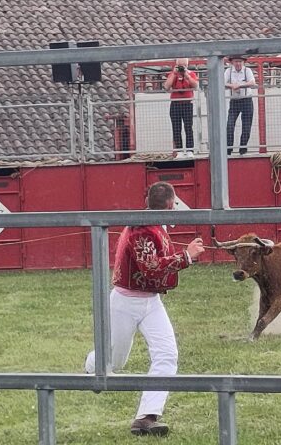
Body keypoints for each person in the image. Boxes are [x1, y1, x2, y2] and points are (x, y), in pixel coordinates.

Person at [85, 181, 205, 437]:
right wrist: (187, 256)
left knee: (167, 354)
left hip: (150, 301)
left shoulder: (152, 222)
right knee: (114, 361)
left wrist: (186, 255)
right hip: (126, 302)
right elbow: (149, 267)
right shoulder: (141, 228)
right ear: (171, 204)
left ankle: (146, 418)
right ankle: (90, 367)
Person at [163, 58, 198, 157]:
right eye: (180, 65)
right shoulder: (173, 74)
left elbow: (195, 86)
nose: (182, 68)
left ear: (187, 65)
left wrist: (186, 76)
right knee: (176, 128)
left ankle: (190, 149)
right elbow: (166, 87)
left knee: (188, 127)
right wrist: (174, 74)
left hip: (187, 103)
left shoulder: (191, 74)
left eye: (184, 65)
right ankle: (179, 151)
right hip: (175, 104)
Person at [224, 54, 257, 156]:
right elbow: (222, 82)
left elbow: (252, 82)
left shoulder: (247, 71)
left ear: (243, 62)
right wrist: (232, 86)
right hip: (234, 101)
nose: (238, 63)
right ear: (232, 62)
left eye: (240, 61)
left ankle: (243, 149)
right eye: (236, 61)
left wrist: (240, 85)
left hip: (247, 100)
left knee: (246, 126)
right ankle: (228, 149)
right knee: (229, 125)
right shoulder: (228, 71)